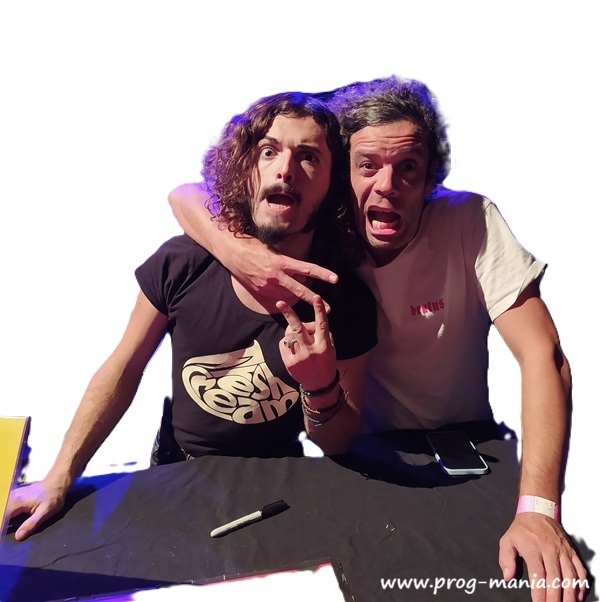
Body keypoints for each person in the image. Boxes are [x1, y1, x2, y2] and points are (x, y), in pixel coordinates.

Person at [167, 76, 588, 601]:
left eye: (408, 167)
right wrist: (240, 252)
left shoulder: (469, 221)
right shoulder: (312, 237)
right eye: (368, 165)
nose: (388, 185)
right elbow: (186, 195)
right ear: (338, 174)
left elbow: (544, 355)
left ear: (429, 176)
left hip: (463, 446)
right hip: (357, 457)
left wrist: (540, 511)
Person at [8, 91, 377, 542]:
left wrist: (320, 387)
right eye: (268, 151)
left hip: (274, 489)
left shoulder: (344, 299)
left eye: (308, 156)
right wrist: (59, 476)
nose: (284, 169)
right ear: (245, 166)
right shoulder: (183, 262)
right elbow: (123, 368)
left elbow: (337, 440)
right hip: (172, 472)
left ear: (332, 183)